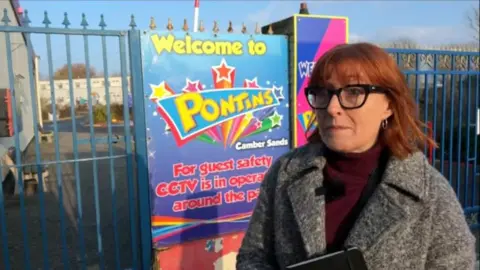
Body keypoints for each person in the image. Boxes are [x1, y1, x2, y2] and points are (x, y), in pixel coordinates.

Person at [236, 43, 477, 270]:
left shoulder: (429, 191)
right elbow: (253, 257)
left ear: (389, 105)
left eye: (353, 92)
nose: (331, 107)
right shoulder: (286, 173)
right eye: (322, 92)